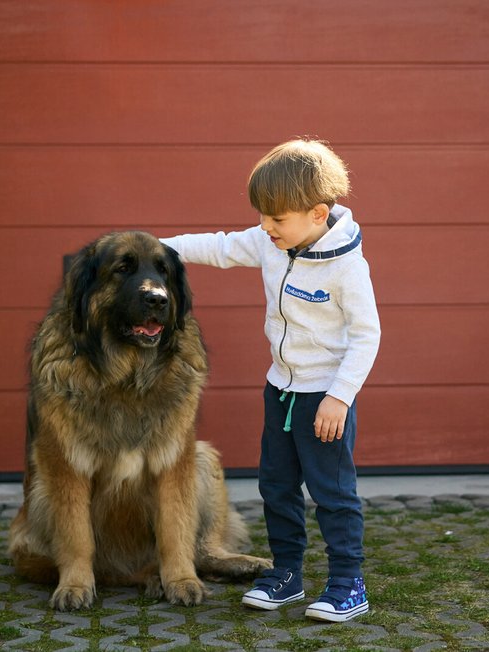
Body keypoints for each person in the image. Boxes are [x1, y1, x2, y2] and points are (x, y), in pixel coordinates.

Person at [160, 138, 380, 622]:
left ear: (318, 213)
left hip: (324, 399)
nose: (265, 227)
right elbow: (218, 247)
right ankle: (286, 575)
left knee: (332, 493)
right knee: (276, 487)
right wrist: (159, 247)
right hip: (280, 389)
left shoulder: (347, 266)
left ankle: (348, 584)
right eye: (262, 216)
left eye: (276, 219)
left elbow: (367, 336)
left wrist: (339, 398)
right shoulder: (271, 241)